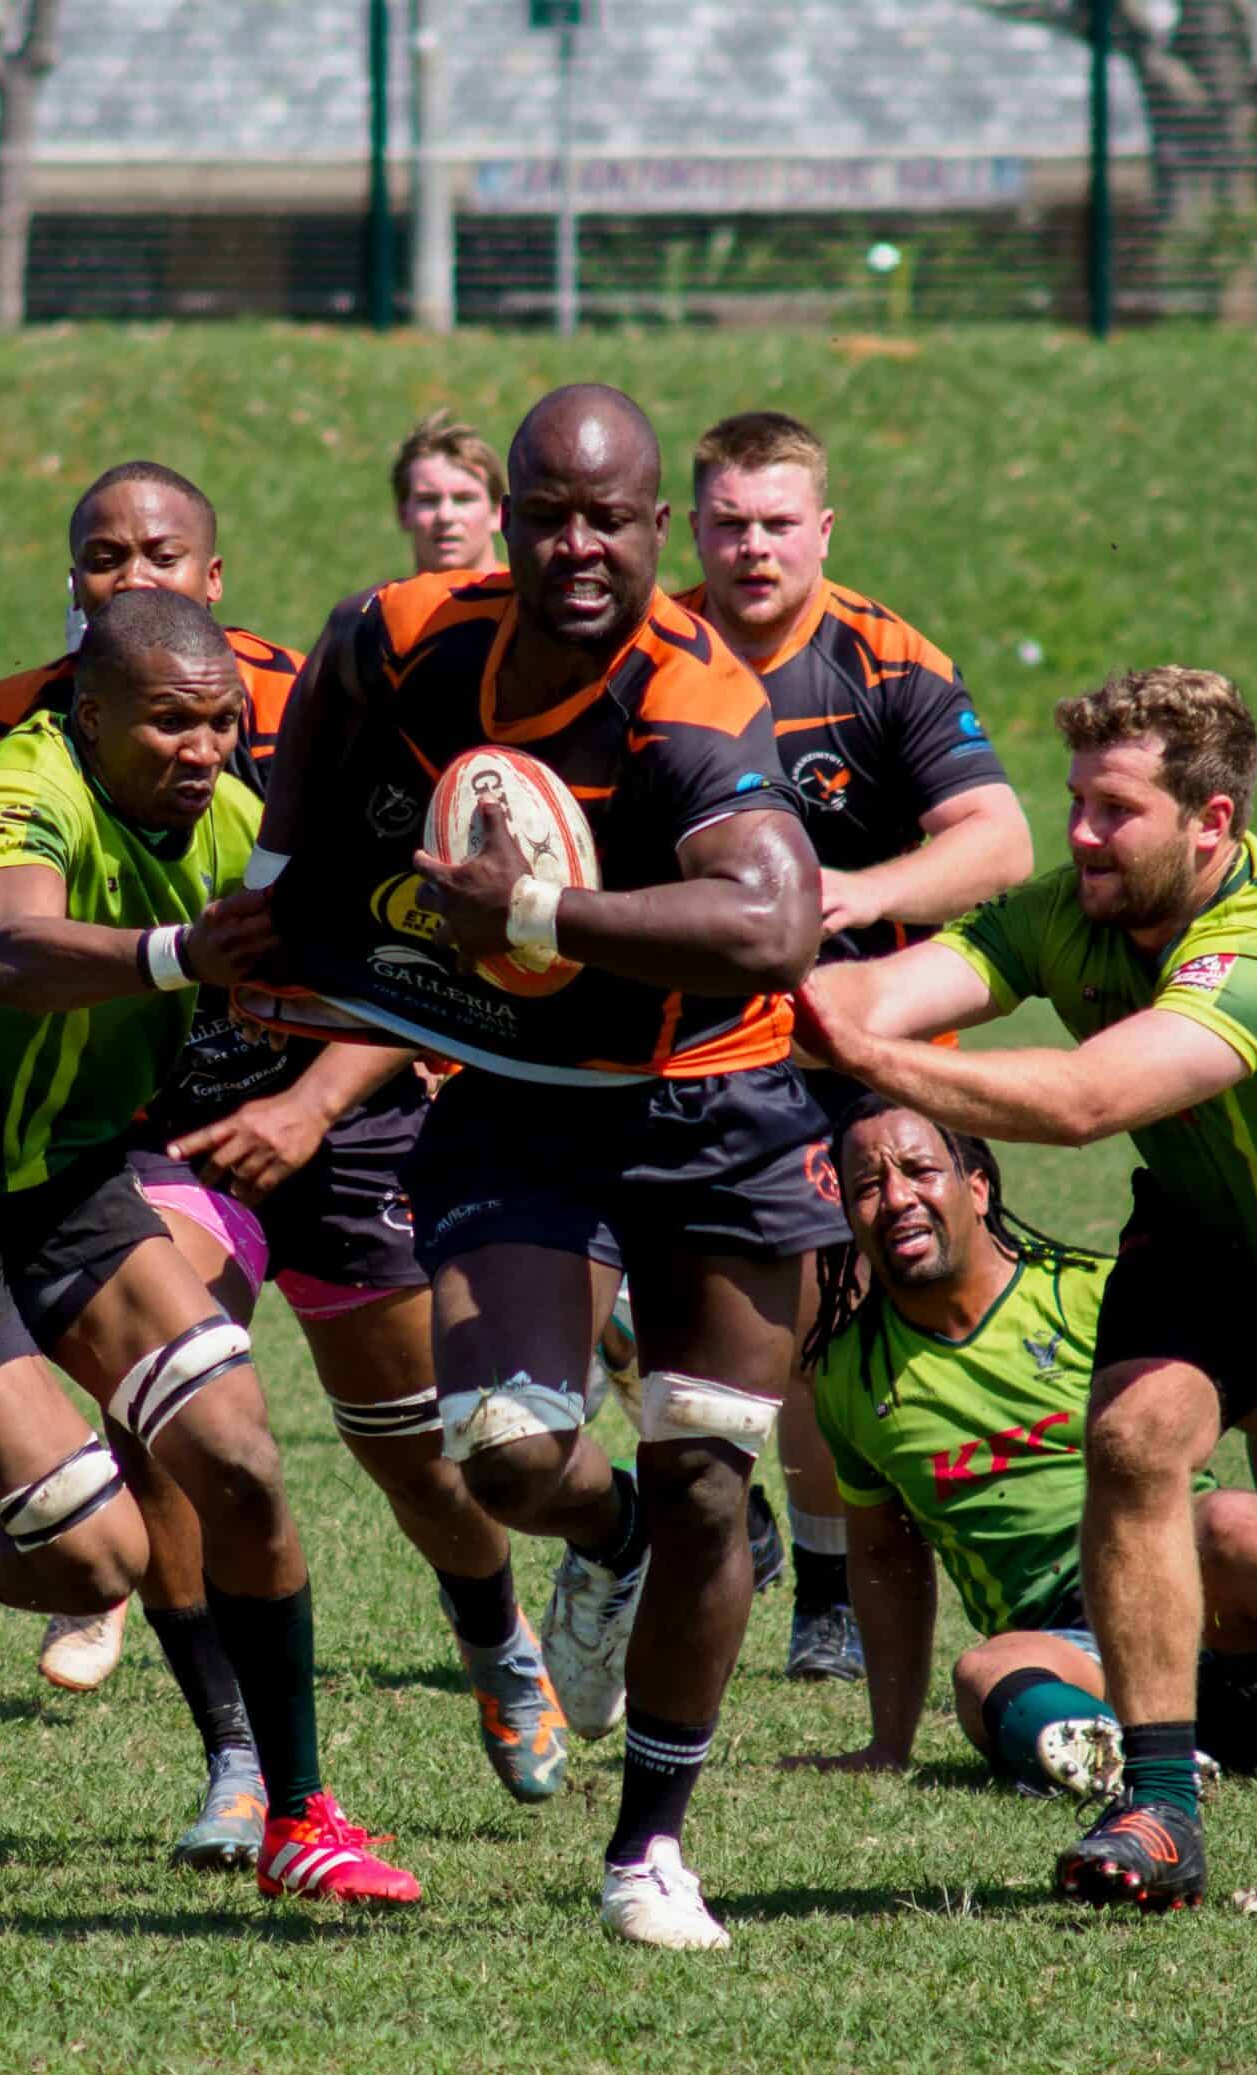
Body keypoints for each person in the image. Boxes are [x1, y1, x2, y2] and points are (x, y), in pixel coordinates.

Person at [0, 461, 567, 1831]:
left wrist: (326, 1097)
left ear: (214, 582)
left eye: (159, 555)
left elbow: (389, 964)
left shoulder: (296, 717)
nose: (131, 578)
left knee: (411, 1450)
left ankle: (497, 1641)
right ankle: (247, 1766)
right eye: (102, 558)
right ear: (76, 594)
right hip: (142, 1124)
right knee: (185, 1436)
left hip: (337, 1113)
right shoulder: (11, 732)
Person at [799, 666, 1257, 1908]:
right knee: (1135, 1439)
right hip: (1210, 1235)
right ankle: (1157, 1808)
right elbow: (894, 987)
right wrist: (801, 983)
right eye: (1075, 801)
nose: (1080, 834)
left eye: (1114, 812)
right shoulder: (1070, 913)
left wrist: (870, 1056)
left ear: (1212, 824)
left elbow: (1091, 1102)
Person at [246, 383, 839, 1948]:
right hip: (520, 1091)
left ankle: (649, 1844)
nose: (579, 546)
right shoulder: (421, 627)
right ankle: (610, 1537)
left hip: (713, 1101)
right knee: (509, 1449)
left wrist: (536, 918)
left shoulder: (693, 702)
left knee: (711, 1465)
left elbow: (774, 926)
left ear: (661, 531)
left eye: (611, 520)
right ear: (508, 516)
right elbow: (334, 658)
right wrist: (277, 873)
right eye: (547, 513)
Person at [0, 588, 419, 1905]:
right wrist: (185, 950)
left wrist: (411, 994)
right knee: (94, 1556)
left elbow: (369, 976)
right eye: (171, 725)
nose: (203, 752)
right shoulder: (13, 792)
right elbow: (13, 948)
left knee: (239, 1458)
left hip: (69, 1179)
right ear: (89, 717)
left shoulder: (233, 828)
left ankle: (303, 1816)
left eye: (224, 726)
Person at [779, 1095, 1257, 1809]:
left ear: (976, 1187)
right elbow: (884, 1561)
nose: (898, 1197)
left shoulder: (1092, 1296)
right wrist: (888, 1742)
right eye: (867, 1187)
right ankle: (1139, 1764)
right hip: (1075, 1656)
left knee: (1229, 1521)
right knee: (985, 1669)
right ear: (846, 1215)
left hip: (1215, 1628)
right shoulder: (849, 1377)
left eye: (919, 1170)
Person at [678, 410, 1034, 1684]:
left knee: (843, 1333)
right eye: (729, 524)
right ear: (691, 527)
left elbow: (999, 844)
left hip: (869, 1055)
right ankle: (758, 1548)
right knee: (681, 1317)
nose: (753, 549)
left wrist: (852, 892)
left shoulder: (887, 663)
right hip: (699, 1053)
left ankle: (840, 1592)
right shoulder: (652, 654)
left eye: (779, 524)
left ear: (821, 528)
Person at [393, 412, 503, 576]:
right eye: (428, 500)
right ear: (403, 514)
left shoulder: (531, 600)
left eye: (464, 499)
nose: (446, 516)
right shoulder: (381, 601)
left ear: (498, 513)